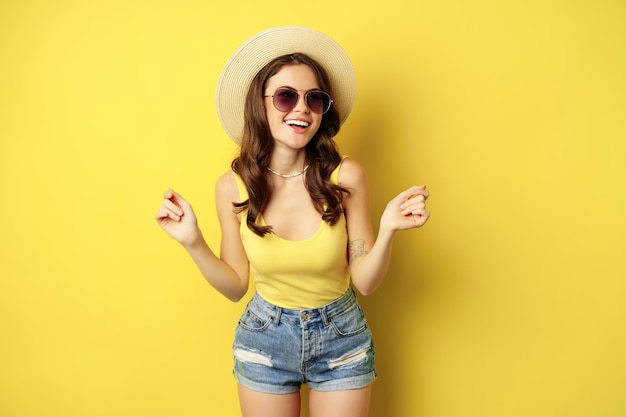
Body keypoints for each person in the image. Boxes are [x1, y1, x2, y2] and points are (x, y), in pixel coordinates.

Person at [155, 26, 430, 417]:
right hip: (265, 338)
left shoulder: (346, 177)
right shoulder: (231, 188)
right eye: (286, 97)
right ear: (260, 105)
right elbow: (235, 286)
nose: (301, 109)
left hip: (341, 337)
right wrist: (192, 240)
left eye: (314, 99)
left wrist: (387, 230)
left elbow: (366, 281)